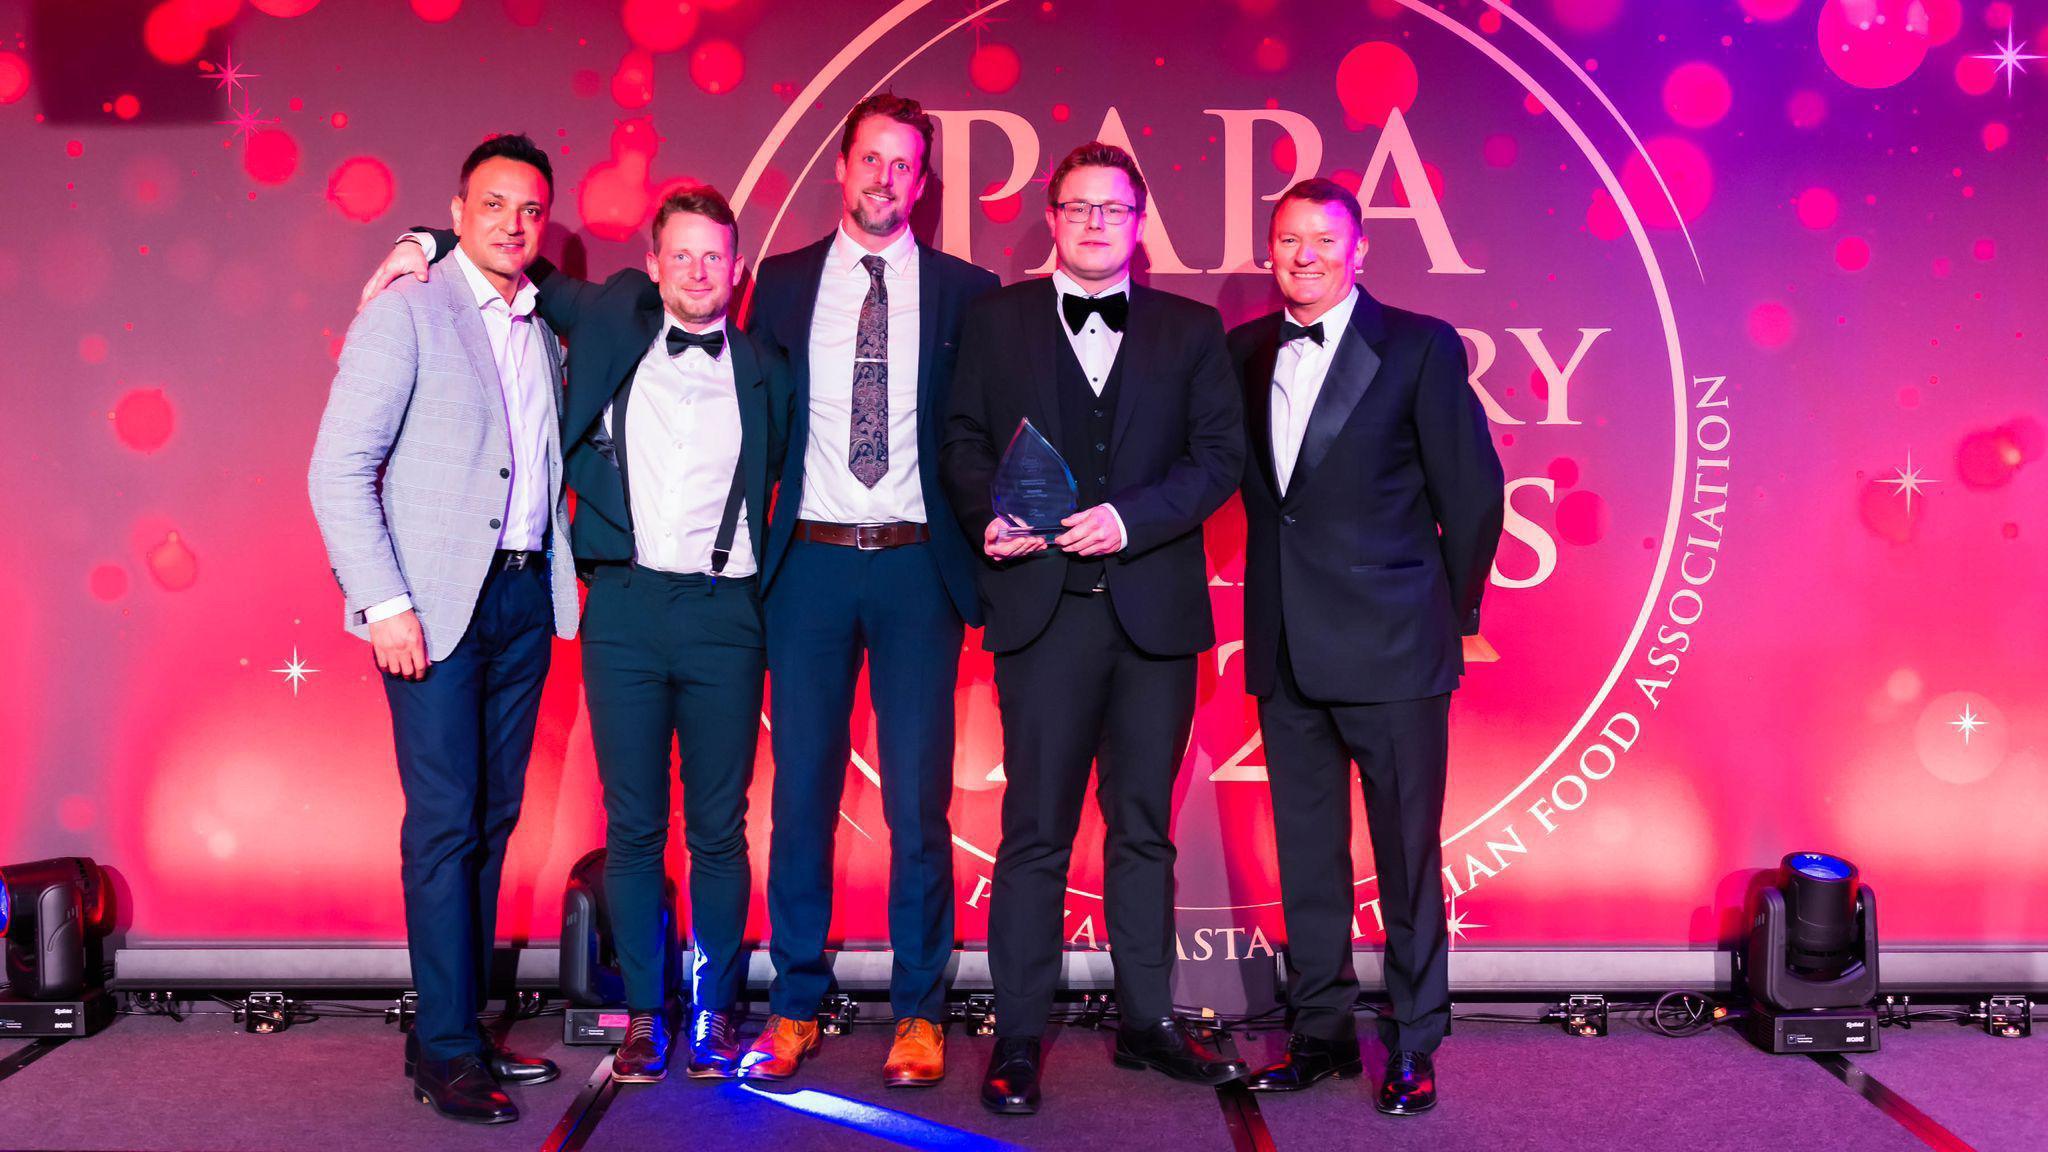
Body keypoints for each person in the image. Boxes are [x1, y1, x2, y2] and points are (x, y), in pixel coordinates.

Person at [361, 185, 793, 1084]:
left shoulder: (769, 368)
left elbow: (786, 475)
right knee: (632, 829)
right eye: (681, 255)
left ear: (738, 268)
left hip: (725, 615)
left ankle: (711, 1017)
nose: (698, 272)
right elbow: (509, 247)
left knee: (718, 830)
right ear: (654, 261)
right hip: (624, 612)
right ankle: (644, 1018)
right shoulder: (608, 316)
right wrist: (420, 238)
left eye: (714, 256)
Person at [940, 141, 1248, 1116]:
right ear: (1050, 218)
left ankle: (1147, 1023)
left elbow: (1217, 459)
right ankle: (1018, 1036)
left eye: (1111, 209)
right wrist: (984, 510)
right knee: (1032, 833)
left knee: (1143, 833)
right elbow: (958, 443)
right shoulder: (993, 322)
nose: (1094, 224)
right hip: (1040, 616)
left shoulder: (1191, 329)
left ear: (1139, 220)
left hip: (1154, 617)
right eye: (1076, 209)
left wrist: (1132, 520)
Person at [310, 133, 576, 1125]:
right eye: (493, 205)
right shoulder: (406, 311)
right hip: (430, 610)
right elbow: (338, 468)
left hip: (519, 601)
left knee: (491, 823)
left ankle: (459, 1029)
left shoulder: (543, 327)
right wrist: (384, 604)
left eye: (530, 210)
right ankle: (446, 1048)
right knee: (444, 824)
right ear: (457, 213)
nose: (513, 223)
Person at [1226, 178, 1504, 1115]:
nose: (1304, 255)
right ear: (1270, 252)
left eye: (1322, 240)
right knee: (1308, 858)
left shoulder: (1419, 346)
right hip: (1285, 647)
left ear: (1359, 252)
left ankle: (1416, 1041)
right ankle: (1321, 1033)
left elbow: (1472, 496)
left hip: (1395, 648)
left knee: (1407, 858)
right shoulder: (1243, 352)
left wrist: (1442, 615)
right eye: (1287, 240)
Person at [740, 92, 999, 1089]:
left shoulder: (967, 292)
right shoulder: (781, 284)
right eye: (869, 160)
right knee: (799, 797)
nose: (884, 178)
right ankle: (795, 1003)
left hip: (913, 569)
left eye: (904, 164)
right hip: (803, 565)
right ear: (838, 171)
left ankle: (919, 1013)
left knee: (918, 807)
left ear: (921, 183)